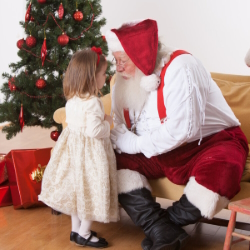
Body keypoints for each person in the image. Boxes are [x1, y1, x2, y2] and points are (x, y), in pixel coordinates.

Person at [105, 19, 249, 250]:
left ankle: (164, 225)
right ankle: (161, 229)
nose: (118, 68)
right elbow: (121, 126)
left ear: (141, 57)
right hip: (155, 150)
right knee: (109, 161)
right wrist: (126, 142)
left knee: (223, 171)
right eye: (116, 60)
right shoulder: (120, 84)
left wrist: (135, 143)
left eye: (123, 60)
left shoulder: (182, 67)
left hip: (210, 143)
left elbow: (183, 130)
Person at [39, 47, 119, 248]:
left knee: (77, 192)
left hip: (72, 153)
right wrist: (108, 125)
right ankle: (84, 233)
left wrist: (102, 118)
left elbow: (80, 123)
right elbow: (94, 131)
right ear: (92, 78)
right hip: (90, 155)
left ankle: (75, 230)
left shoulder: (73, 99)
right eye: (103, 74)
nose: (105, 77)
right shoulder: (93, 102)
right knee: (92, 191)